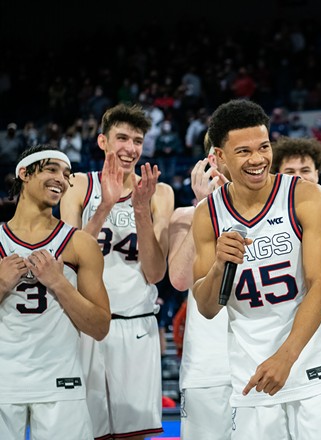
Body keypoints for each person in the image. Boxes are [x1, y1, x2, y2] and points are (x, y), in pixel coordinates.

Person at [191, 99, 321, 439]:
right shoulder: (208, 214)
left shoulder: (305, 196)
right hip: (253, 379)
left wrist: (286, 357)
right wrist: (219, 265)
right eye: (244, 151)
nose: (257, 159)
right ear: (219, 156)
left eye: (263, 147)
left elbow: (320, 285)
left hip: (312, 370)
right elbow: (207, 307)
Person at [60, 103, 175, 440]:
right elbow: (68, 259)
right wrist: (106, 206)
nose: (130, 148)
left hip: (136, 323)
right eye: (122, 138)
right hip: (86, 324)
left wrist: (140, 209)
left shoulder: (160, 194)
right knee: (84, 432)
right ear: (103, 142)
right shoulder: (79, 185)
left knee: (133, 435)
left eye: (137, 140)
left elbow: (155, 273)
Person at [0, 145, 111, 439]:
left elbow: (100, 326)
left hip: (61, 383)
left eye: (66, 174)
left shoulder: (79, 243)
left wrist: (59, 283)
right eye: (51, 170)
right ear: (23, 173)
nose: (61, 179)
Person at [168, 140, 231, 439]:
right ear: (212, 159)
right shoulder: (185, 215)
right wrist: (206, 209)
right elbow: (179, 280)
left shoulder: (273, 212)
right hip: (207, 365)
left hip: (262, 358)